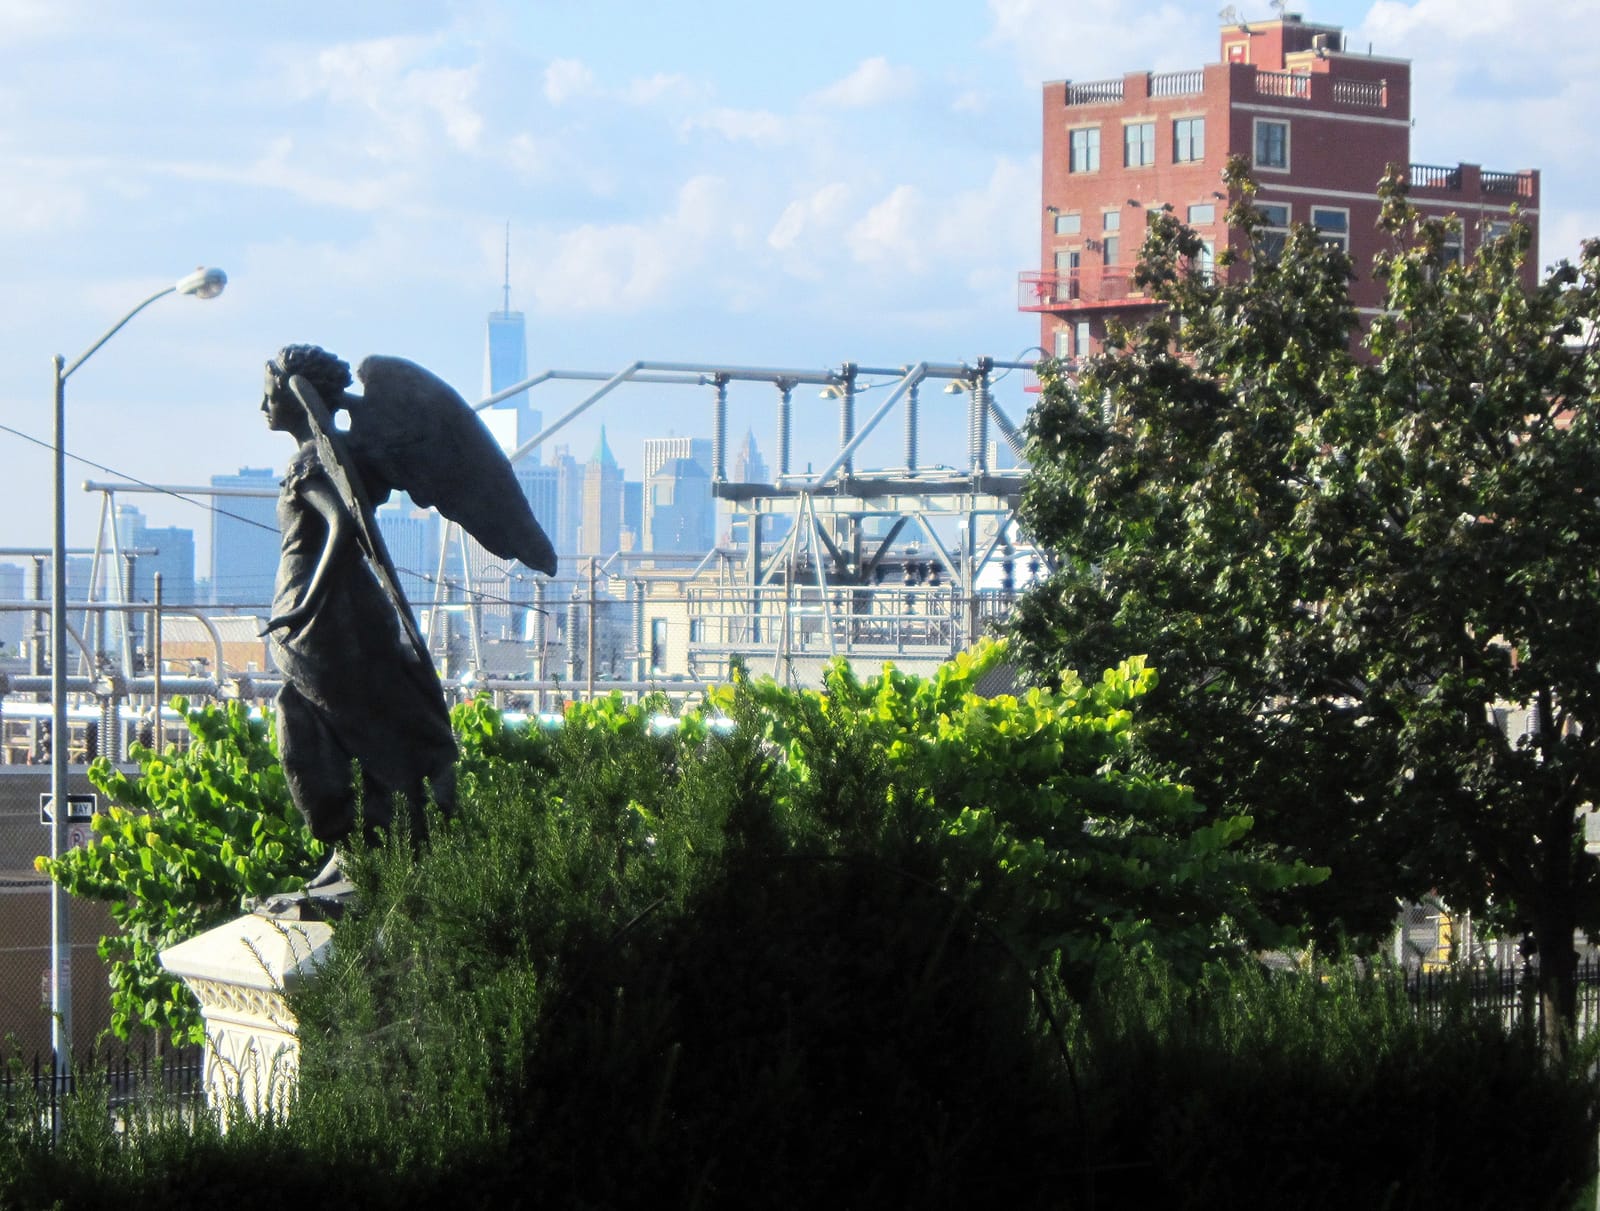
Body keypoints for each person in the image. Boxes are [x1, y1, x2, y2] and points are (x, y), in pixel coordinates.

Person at [261, 345, 456, 885]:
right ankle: (353, 849)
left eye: (270, 391)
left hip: (331, 621)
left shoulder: (310, 461)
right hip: (328, 619)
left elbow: (345, 524)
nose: (262, 404)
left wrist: (305, 602)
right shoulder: (327, 453)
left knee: (353, 734)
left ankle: (381, 854)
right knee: (313, 728)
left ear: (296, 394)